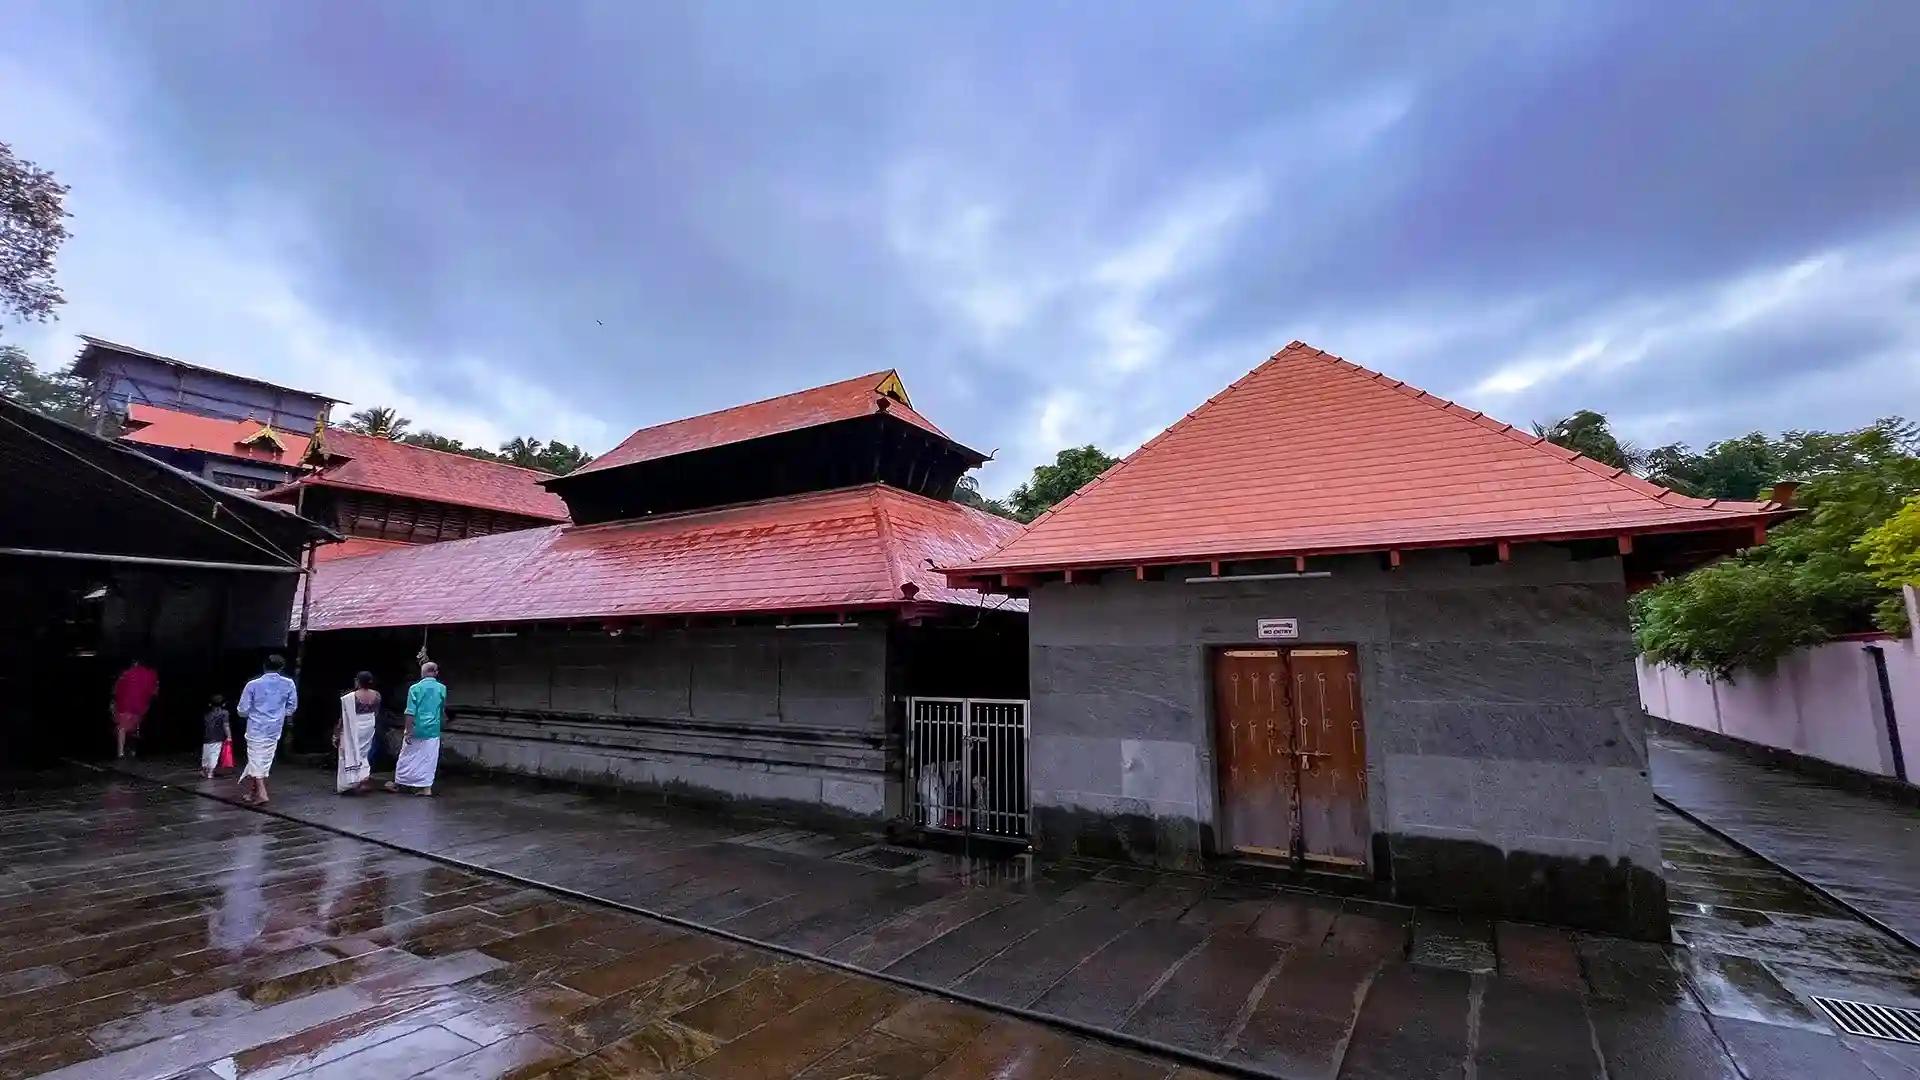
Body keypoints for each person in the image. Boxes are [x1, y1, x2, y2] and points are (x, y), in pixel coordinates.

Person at [235, 654, 298, 806]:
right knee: (262, 759)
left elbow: (242, 710)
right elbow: (292, 707)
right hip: (275, 727)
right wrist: (280, 714)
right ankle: (253, 792)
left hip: (256, 726)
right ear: (281, 668)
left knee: (256, 758)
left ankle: (262, 793)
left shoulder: (253, 685)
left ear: (264, 666)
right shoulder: (288, 683)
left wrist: (255, 714)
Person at [388, 661, 446, 797]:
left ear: (422, 672)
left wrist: (408, 731)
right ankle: (426, 788)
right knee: (429, 758)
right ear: (436, 673)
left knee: (406, 756)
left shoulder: (415, 688)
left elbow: (410, 712)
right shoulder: (442, 688)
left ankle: (400, 783)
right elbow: (441, 709)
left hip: (416, 728)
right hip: (433, 729)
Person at [334, 672, 380, 795]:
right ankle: (363, 777)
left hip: (354, 725)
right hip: (369, 724)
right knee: (364, 753)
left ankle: (350, 782)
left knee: (348, 751)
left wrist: (337, 733)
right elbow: (376, 712)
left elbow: (343, 718)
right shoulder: (377, 695)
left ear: (358, 681)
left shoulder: (350, 697)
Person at [109, 658, 159, 759]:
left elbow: (117, 689)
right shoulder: (151, 674)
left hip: (125, 706)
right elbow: (155, 691)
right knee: (133, 727)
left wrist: (114, 704)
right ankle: (132, 750)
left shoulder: (126, 674)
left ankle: (121, 753)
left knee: (122, 728)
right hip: (141, 707)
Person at [199, 694, 231, 779]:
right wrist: (229, 736)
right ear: (223, 704)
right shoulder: (224, 713)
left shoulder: (207, 714)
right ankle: (210, 772)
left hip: (207, 737)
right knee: (214, 754)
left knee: (206, 753)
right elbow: (226, 725)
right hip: (217, 737)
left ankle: (204, 769)